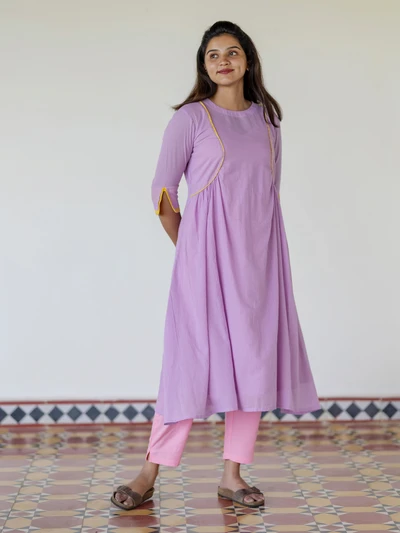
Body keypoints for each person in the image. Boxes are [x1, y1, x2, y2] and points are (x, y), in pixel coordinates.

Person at [111, 20, 321, 511]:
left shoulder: (268, 122)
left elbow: (268, 194)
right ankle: (149, 471)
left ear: (247, 60)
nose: (223, 61)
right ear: (203, 66)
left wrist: (266, 259)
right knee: (189, 363)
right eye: (213, 54)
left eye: (232, 52)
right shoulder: (190, 118)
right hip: (203, 261)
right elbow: (163, 191)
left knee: (253, 363)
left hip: (260, 262)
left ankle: (233, 474)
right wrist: (189, 248)